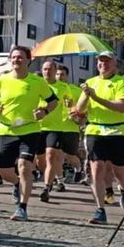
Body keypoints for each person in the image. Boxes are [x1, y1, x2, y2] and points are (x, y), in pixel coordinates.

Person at [0, 46, 57, 222]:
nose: (17, 60)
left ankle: (22, 208)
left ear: (28, 60)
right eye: (14, 57)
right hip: (6, 130)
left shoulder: (37, 82)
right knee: (2, 169)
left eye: (20, 57)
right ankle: (16, 183)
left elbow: (53, 102)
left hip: (30, 130)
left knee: (24, 166)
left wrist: (44, 112)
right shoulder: (2, 80)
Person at [71, 50, 124, 223]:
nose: (103, 64)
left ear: (114, 64)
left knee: (119, 169)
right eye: (100, 61)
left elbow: (120, 107)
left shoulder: (121, 83)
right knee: (97, 169)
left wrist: (96, 96)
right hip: (95, 131)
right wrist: (85, 97)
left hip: (118, 132)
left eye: (107, 61)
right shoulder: (90, 82)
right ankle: (100, 209)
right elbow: (80, 109)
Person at [37, 59, 81, 203]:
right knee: (40, 160)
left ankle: (46, 187)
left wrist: (70, 105)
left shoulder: (64, 87)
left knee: (52, 156)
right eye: (45, 69)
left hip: (56, 127)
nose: (47, 72)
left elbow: (71, 103)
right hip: (37, 126)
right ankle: (52, 178)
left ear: (55, 71)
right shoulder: (35, 85)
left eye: (50, 69)